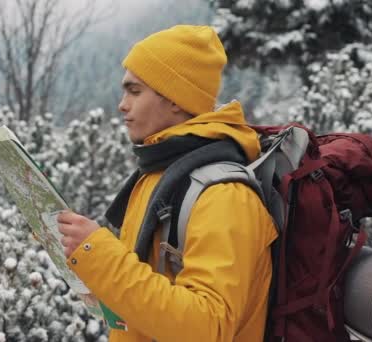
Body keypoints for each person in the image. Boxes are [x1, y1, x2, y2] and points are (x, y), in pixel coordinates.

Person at [57, 25, 277, 342]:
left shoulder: (224, 196)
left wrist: (101, 257)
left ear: (175, 98)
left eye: (134, 91)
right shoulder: (158, 175)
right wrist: (96, 273)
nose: (122, 104)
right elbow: (148, 293)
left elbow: (207, 326)